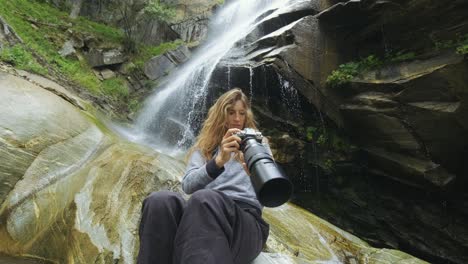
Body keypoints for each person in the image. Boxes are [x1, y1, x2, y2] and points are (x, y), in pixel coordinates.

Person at [137, 88, 270, 264]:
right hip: (203, 216)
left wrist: (255, 173)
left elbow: (271, 194)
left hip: (244, 225)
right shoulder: (204, 148)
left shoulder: (257, 145)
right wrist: (217, 162)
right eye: (231, 113)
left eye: (241, 113)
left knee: (205, 199)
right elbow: (188, 185)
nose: (237, 119)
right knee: (159, 201)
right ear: (220, 116)